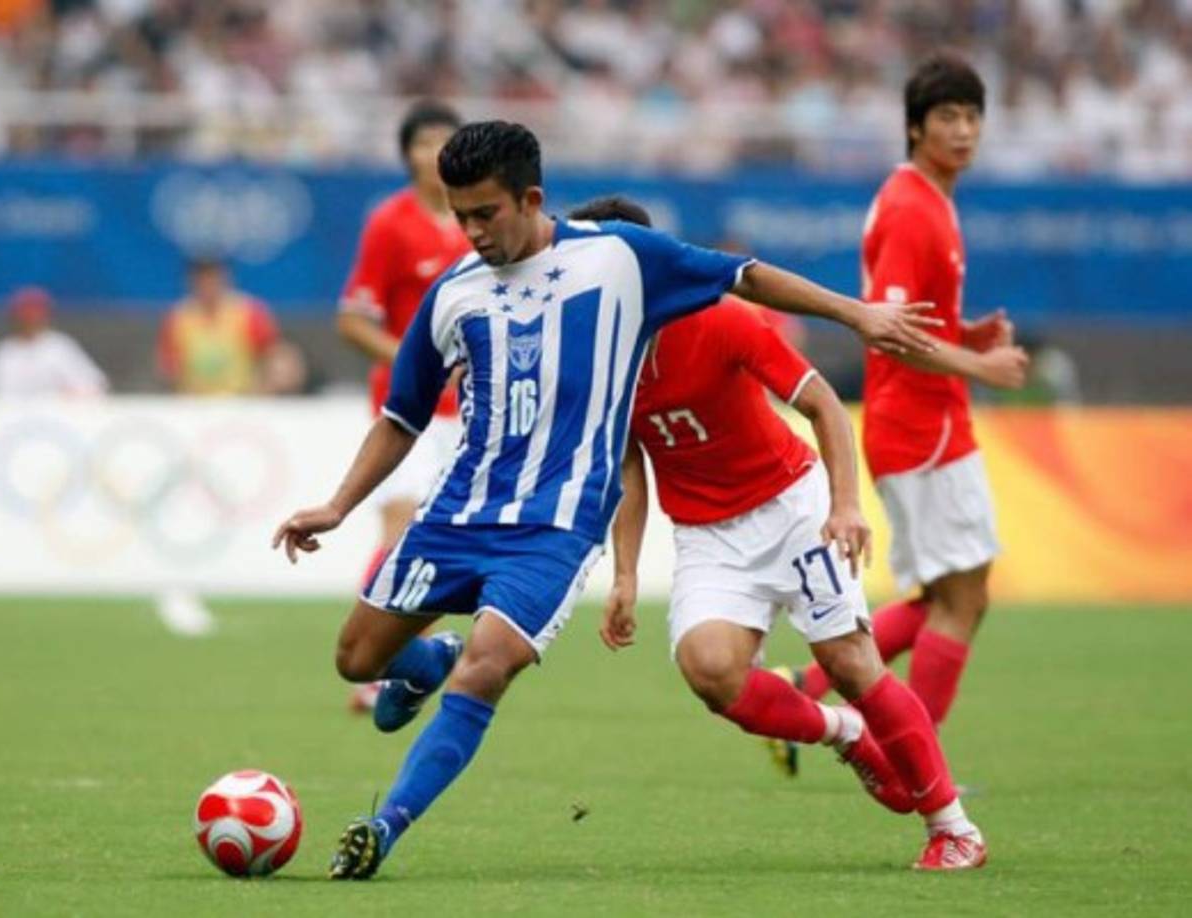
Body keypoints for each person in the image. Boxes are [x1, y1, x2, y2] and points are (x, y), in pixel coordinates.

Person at [271, 120, 940, 881]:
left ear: (531, 199)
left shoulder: (618, 256)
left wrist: (857, 315)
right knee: (355, 658)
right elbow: (402, 416)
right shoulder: (453, 294)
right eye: (460, 216)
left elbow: (746, 275)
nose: (471, 230)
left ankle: (382, 826)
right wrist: (336, 506)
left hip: (555, 527)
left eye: (485, 213)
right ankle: (425, 662)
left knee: (488, 669)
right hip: (460, 512)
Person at [583, 197, 985, 872]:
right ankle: (844, 732)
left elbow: (822, 402)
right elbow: (628, 461)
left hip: (790, 509)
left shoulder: (720, 319)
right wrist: (624, 573)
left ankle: (953, 828)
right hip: (708, 537)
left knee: (851, 663)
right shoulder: (596, 359)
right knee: (709, 672)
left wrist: (844, 505)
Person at [793, 54, 1028, 732]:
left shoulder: (932, 201)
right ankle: (913, 767)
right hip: (919, 429)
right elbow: (888, 334)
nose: (963, 131)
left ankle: (806, 693)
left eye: (971, 117)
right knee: (961, 598)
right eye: (947, 117)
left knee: (953, 595)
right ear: (914, 127)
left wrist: (967, 337)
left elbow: (917, 321)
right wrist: (979, 367)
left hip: (934, 422)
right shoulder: (909, 209)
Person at [337, 100, 471, 715]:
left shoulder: (480, 216)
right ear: (408, 154)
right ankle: (382, 660)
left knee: (448, 537)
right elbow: (352, 318)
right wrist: (412, 358)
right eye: (423, 143)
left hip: (478, 410)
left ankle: (418, 660)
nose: (434, 154)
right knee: (397, 529)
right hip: (410, 409)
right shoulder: (390, 223)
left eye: (445, 142)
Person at [157, 258, 280, 395]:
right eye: (202, 281)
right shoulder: (178, 317)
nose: (208, 287)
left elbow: (273, 357)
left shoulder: (249, 312)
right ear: (191, 282)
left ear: (226, 280)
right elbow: (168, 367)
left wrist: (263, 388)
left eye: (213, 280)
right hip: (193, 403)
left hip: (241, 400)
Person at [0, 286, 108, 396]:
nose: (30, 318)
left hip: (59, 415)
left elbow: (95, 385)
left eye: (36, 312)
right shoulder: (3, 352)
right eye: (25, 313)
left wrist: (72, 394)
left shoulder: (60, 346)